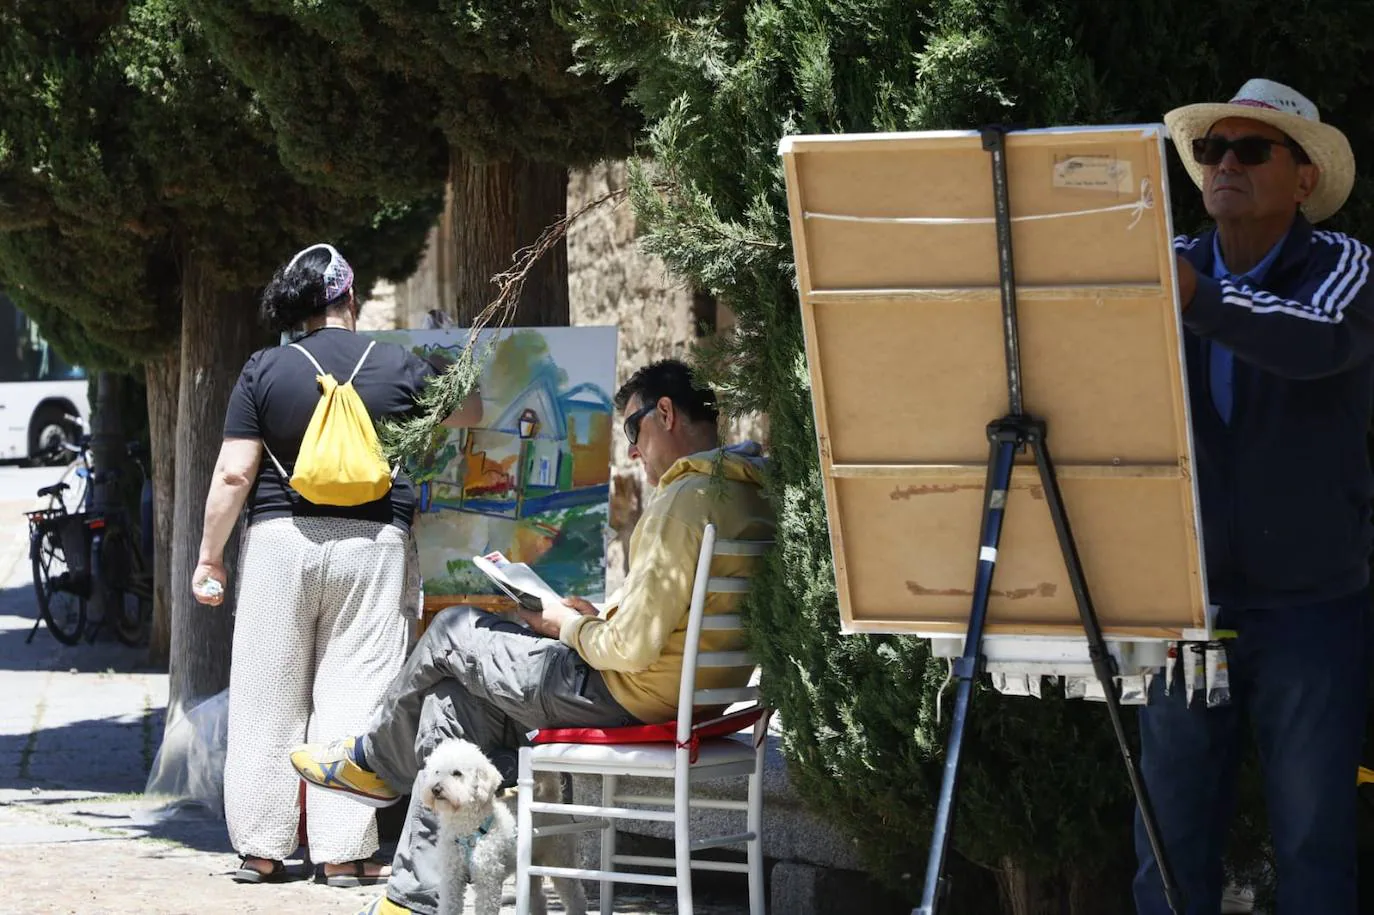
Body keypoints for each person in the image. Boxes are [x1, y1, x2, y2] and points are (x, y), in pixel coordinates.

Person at [288, 358, 776, 915]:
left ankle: (374, 762)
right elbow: (668, 622)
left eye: (631, 431)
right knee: (454, 702)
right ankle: (412, 900)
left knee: (452, 629)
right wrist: (599, 616)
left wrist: (563, 625)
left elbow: (630, 652)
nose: (633, 452)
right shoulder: (746, 492)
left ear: (664, 413)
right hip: (695, 698)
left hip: (627, 693)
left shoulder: (682, 499)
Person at [1135, 79, 1374, 914]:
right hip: (1183, 609)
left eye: (1251, 149)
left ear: (1305, 178)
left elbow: (1315, 341)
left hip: (1313, 611)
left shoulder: (1345, 266)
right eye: (1211, 150)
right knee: (1165, 857)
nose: (1224, 164)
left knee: (1313, 852)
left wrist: (1200, 300)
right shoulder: (1170, 267)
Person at [192, 242, 482, 885]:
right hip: (372, 546)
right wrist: (444, 358)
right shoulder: (398, 364)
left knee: (268, 696)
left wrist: (210, 557)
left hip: (279, 543)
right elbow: (472, 409)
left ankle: (261, 850)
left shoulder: (265, 368)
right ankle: (345, 852)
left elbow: (236, 471)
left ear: (300, 309)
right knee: (355, 694)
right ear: (351, 300)